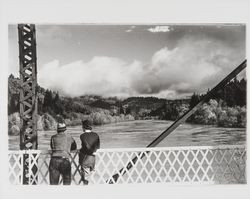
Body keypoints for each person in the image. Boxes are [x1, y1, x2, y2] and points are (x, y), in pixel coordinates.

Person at [79, 120, 100, 185]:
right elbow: (98, 147)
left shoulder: (82, 136)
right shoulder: (96, 135)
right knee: (90, 176)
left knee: (85, 178)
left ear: (83, 127)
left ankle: (86, 186)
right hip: (92, 159)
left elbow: (84, 147)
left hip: (84, 158)